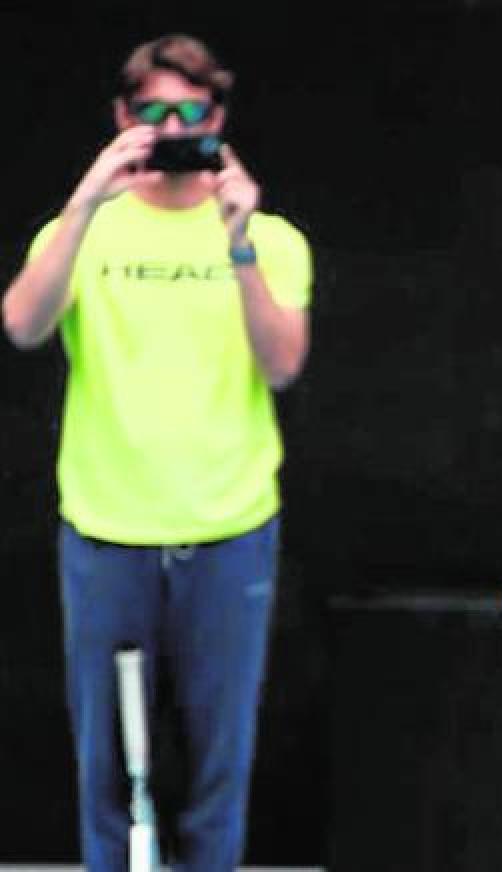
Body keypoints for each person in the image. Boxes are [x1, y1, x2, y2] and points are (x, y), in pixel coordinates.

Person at [2, 34, 311, 870]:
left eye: (189, 111)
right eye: (152, 111)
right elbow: (23, 324)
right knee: (106, 765)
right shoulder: (82, 232)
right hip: (107, 530)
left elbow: (283, 364)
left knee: (219, 764)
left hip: (228, 530)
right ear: (121, 119)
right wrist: (89, 197)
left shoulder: (273, 238)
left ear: (217, 118)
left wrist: (237, 238)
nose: (172, 126)